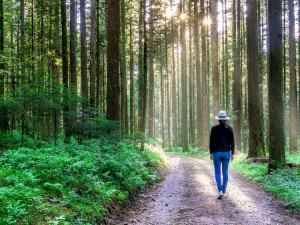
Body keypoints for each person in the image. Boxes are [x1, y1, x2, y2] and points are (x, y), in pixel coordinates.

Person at [209, 111, 235, 199]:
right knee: (225, 172)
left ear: (218, 120)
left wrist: (211, 153)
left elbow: (211, 142)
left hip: (216, 153)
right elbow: (232, 142)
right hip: (227, 153)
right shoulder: (230, 129)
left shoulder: (214, 129)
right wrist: (233, 153)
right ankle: (224, 191)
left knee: (217, 172)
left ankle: (220, 190)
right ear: (225, 119)